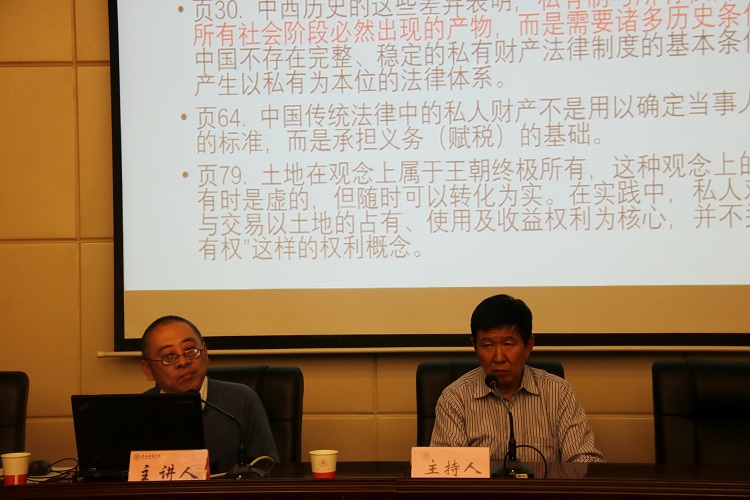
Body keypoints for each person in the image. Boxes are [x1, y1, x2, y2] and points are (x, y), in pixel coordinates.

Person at [430, 294, 605, 465]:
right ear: (474, 346)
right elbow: (446, 467)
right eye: (488, 345)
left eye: (508, 344)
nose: (499, 357)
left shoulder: (559, 393)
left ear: (529, 345)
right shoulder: (455, 398)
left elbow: (583, 461)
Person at [140, 315, 279, 473]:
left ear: (205, 353)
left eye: (190, 350)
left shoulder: (242, 400)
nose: (183, 362)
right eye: (169, 357)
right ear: (148, 370)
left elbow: (266, 469)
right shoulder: (137, 412)